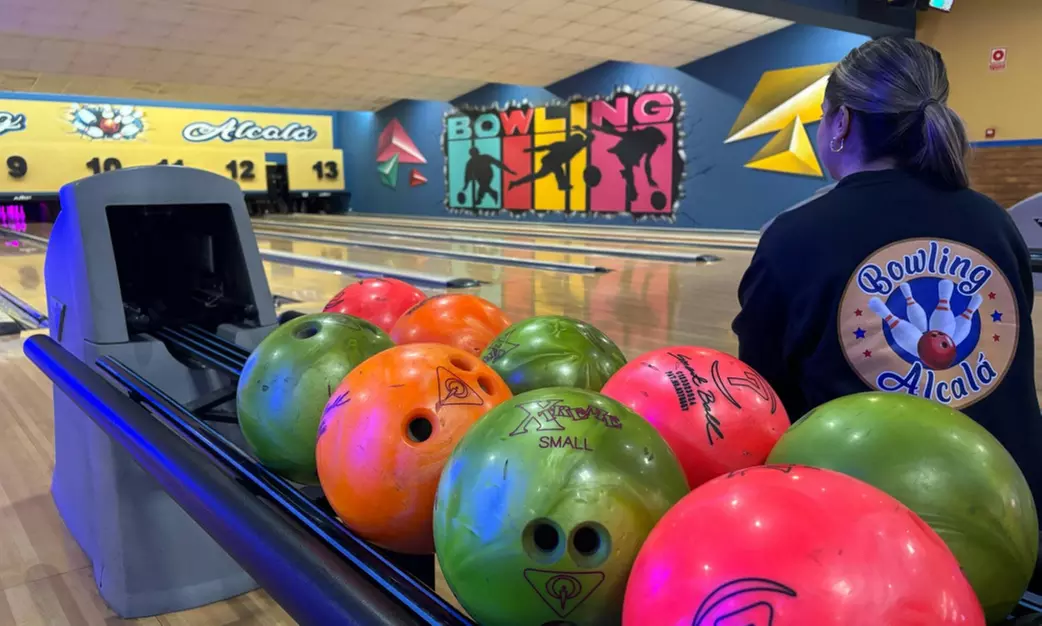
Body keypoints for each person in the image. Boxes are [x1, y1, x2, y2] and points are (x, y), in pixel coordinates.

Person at [733, 38, 1042, 517]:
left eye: (822, 115)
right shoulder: (994, 222)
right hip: (1014, 514)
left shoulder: (795, 235)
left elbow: (762, 403)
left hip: (870, 529)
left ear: (842, 123)